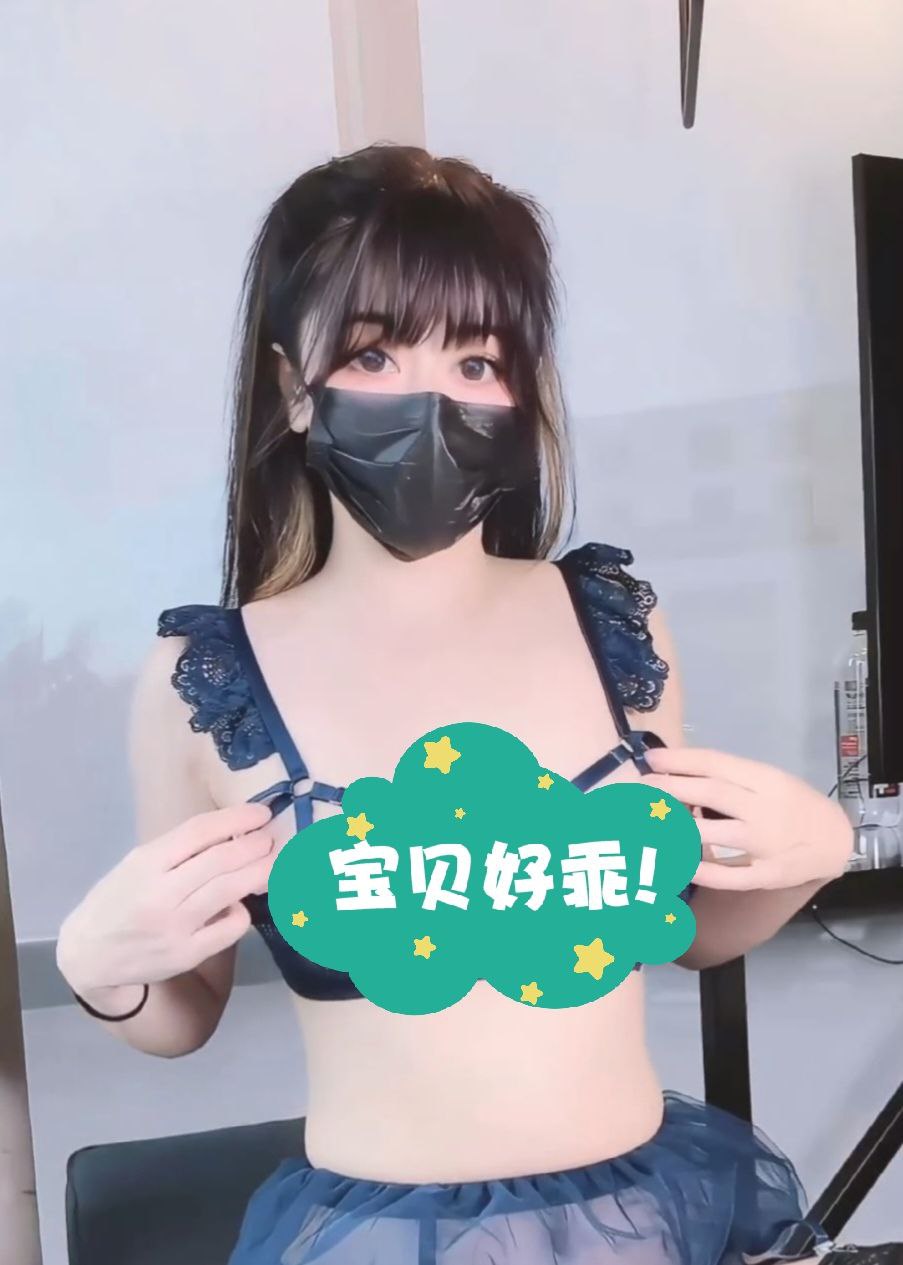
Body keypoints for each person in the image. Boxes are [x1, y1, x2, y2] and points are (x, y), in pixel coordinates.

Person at [56, 144, 853, 1265]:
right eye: (375, 351)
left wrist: (813, 855)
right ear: (293, 386)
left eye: (478, 359)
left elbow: (680, 925)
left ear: (522, 389)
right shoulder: (211, 678)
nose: (433, 400)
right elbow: (184, 1010)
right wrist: (98, 970)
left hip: (644, 1221)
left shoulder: (612, 622)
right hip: (381, 1235)